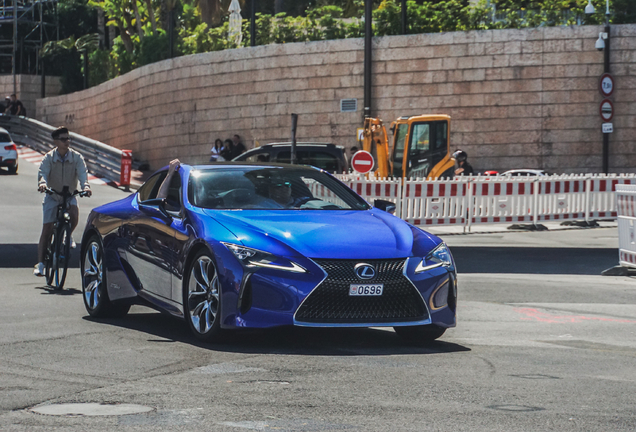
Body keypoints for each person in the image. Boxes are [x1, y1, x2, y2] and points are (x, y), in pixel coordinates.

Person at [34, 127, 92, 277]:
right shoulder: (48, 158)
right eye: (63, 139)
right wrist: (42, 184)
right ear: (55, 141)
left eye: (68, 138)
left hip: (69, 195)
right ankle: (40, 264)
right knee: (47, 229)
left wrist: (85, 186)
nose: (67, 141)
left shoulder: (76, 157)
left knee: (74, 213)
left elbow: (82, 174)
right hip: (53, 195)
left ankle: (67, 235)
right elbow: (43, 174)